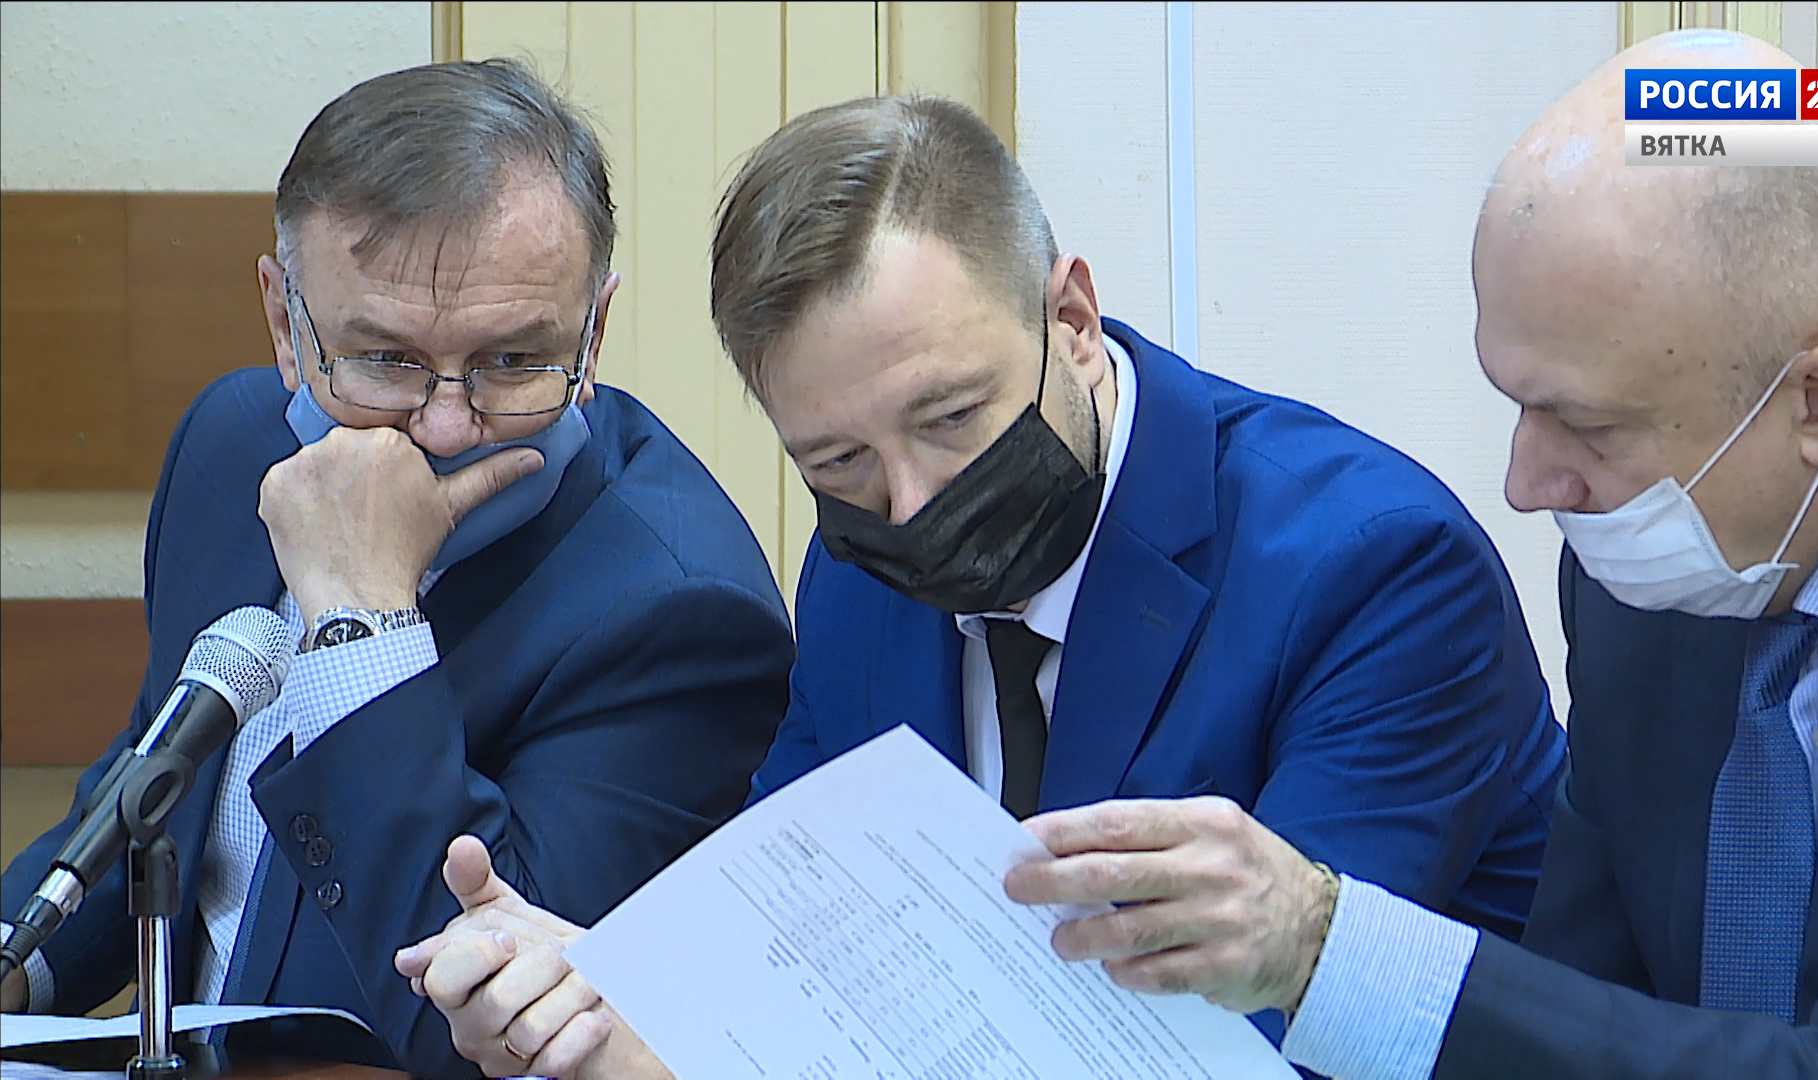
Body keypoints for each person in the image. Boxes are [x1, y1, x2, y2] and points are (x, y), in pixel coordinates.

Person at [397, 93, 1570, 1077]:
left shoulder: (1375, 570)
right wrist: (605, 1001)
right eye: (837, 461)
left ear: (1071, 320)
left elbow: (1253, 1052)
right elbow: (794, 931)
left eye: (951, 417)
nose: (910, 505)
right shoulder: (856, 568)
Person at [995, 30, 1818, 1079]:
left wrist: (1322, 949)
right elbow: (1576, 1021)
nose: (1529, 485)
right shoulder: (1642, 581)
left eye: (1588, 426)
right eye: (1517, 404)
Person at [0, 59, 794, 1076]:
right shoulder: (230, 446)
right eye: (385, 359)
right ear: (286, 324)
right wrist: (19, 959)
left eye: (513, 361)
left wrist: (362, 620)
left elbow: (486, 1031)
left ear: (593, 334)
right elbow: (157, 791)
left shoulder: (683, 616)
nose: (446, 425)